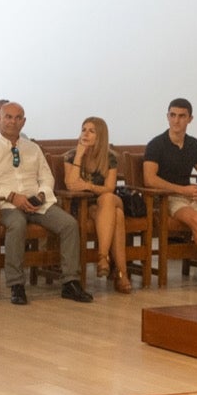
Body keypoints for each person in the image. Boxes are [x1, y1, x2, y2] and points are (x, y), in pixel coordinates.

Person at [0, 103, 94, 306]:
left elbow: (47, 177)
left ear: (24, 121)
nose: (13, 121)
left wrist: (41, 195)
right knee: (17, 224)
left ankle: (70, 282)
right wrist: (11, 196)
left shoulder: (33, 148)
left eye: (18, 118)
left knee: (69, 224)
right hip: (4, 205)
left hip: (36, 204)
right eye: (8, 117)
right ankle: (16, 284)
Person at [143, 97, 197, 290]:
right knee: (196, 220)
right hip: (167, 198)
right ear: (167, 117)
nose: (176, 120)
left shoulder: (193, 144)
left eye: (182, 116)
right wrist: (181, 189)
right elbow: (149, 179)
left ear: (190, 119)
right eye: (173, 115)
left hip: (190, 195)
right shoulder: (156, 144)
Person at [64, 117, 133, 294]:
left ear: (100, 136)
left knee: (107, 199)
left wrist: (88, 186)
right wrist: (79, 155)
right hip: (84, 207)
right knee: (116, 216)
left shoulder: (110, 158)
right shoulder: (71, 156)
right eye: (83, 129)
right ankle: (121, 274)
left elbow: (109, 188)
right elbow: (70, 185)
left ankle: (102, 256)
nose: (85, 133)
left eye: (91, 131)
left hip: (107, 199)